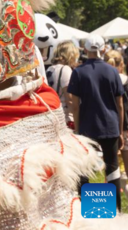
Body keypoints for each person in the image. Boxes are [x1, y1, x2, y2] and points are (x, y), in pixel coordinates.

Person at [68, 34, 125, 211]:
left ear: (85, 49)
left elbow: (75, 106)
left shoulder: (78, 72)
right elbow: (120, 105)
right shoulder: (112, 71)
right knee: (113, 168)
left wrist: (77, 131)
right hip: (110, 125)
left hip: (87, 126)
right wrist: (120, 130)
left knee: (85, 170)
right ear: (102, 49)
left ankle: (89, 208)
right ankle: (114, 208)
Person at [104, 49, 128, 193]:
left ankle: (106, 206)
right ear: (121, 64)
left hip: (107, 127)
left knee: (110, 170)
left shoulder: (103, 80)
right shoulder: (125, 80)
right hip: (125, 128)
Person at [46, 40, 80, 128]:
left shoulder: (49, 68)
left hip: (52, 114)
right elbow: (70, 99)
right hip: (65, 118)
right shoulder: (66, 69)